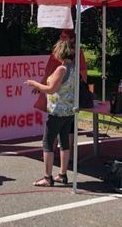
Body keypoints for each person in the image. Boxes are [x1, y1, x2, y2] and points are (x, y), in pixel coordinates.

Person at [25, 40, 76, 187]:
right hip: (68, 111)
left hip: (57, 111)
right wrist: (41, 88)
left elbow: (51, 89)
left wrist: (34, 83)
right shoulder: (73, 68)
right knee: (64, 142)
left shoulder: (61, 69)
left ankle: (47, 177)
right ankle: (62, 174)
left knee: (48, 143)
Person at [40, 29, 87, 152]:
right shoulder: (57, 51)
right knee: (59, 129)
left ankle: (56, 152)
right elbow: (48, 69)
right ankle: (54, 151)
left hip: (66, 97)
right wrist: (43, 82)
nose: (61, 37)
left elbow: (82, 73)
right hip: (57, 96)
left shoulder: (76, 53)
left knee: (63, 128)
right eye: (61, 35)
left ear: (72, 39)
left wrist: (81, 89)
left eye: (64, 36)